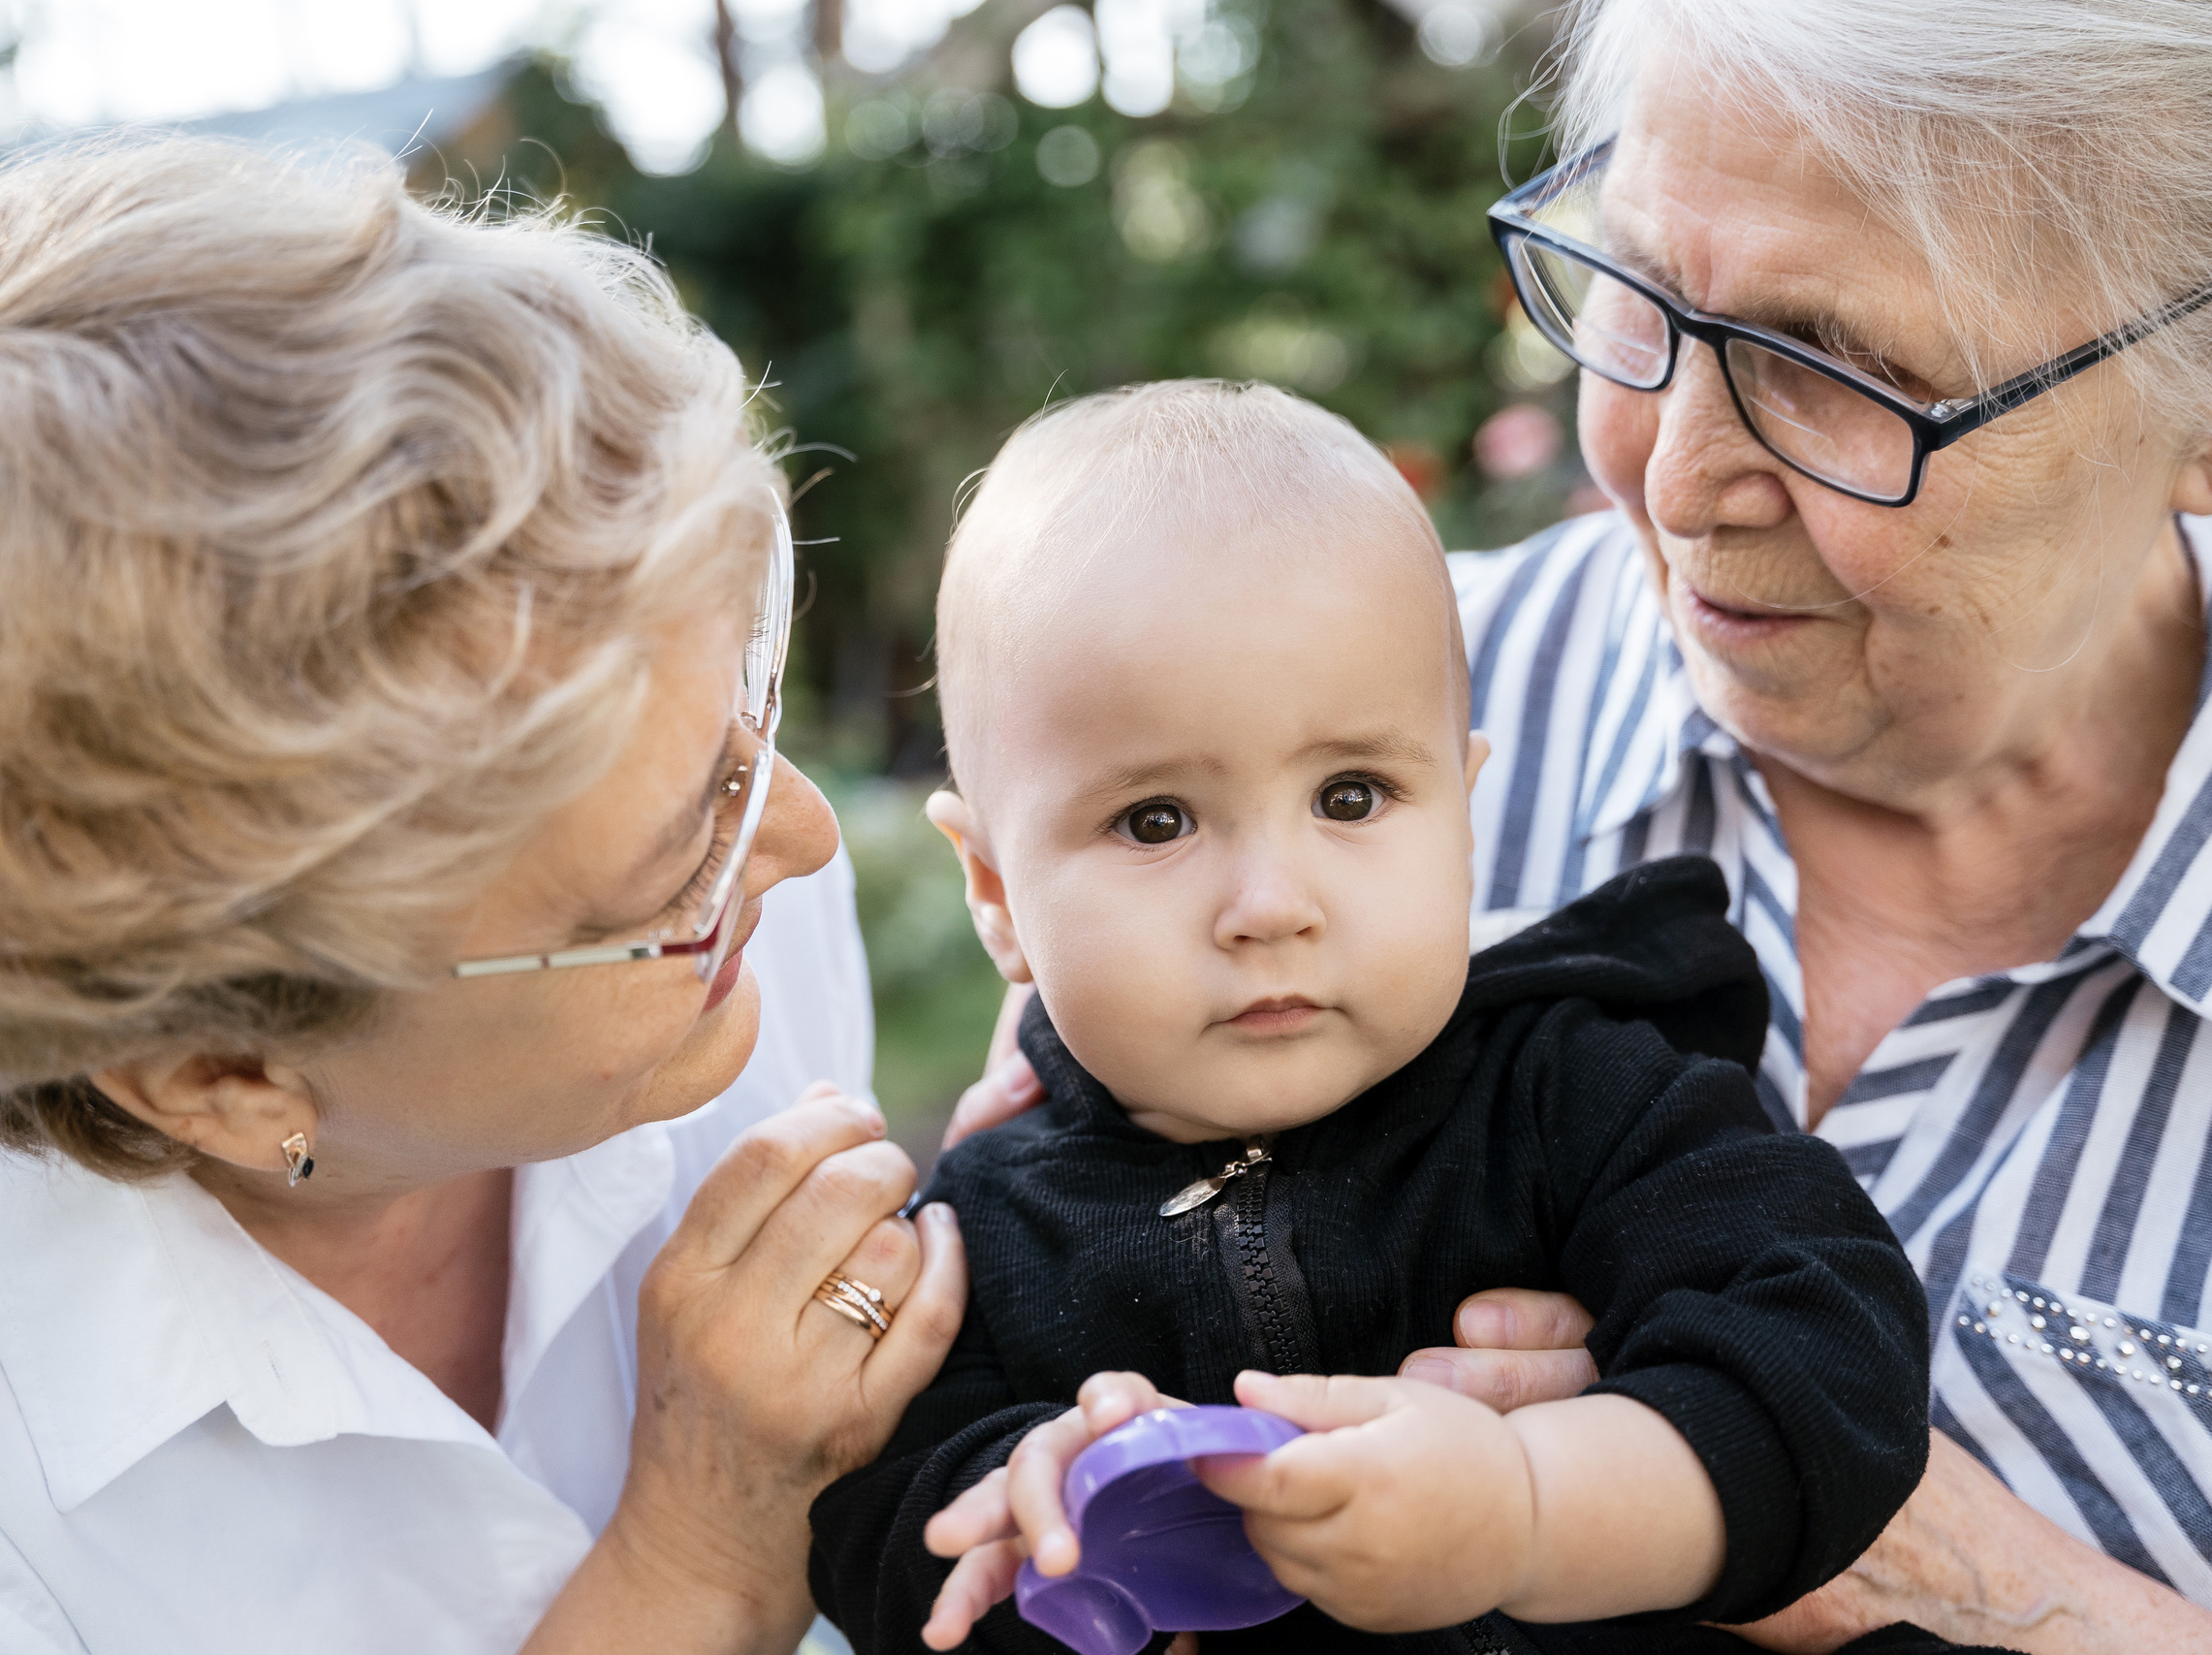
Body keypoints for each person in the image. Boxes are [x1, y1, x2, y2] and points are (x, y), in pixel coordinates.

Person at [0, 137, 965, 1655]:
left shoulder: (726, 932)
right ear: (222, 1081)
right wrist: (711, 1544)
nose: (804, 842)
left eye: (744, 718)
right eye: (673, 855)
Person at [1409, 1, 2212, 1651]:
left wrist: (1956, 1576)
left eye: (1839, 371)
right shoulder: (1341, 725)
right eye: (1637, 294)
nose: (1671, 474)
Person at [809, 381, 1940, 1655]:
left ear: (1464, 811)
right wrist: (1044, 1514)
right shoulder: (985, 1234)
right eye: (1156, 821)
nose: (1272, 905)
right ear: (997, 893)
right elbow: (876, 1527)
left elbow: (1830, 1353)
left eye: (1350, 796)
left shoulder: (1579, 1092)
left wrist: (1532, 1510)